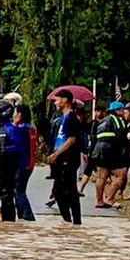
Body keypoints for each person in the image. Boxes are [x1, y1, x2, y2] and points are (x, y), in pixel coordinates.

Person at [44, 93, 88, 225]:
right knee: (59, 191)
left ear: (65, 100)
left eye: (57, 100)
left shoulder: (72, 117)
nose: (55, 103)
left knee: (70, 191)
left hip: (68, 159)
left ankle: (74, 221)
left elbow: (71, 139)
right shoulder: (61, 118)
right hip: (59, 159)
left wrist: (56, 154)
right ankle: (68, 221)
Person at [89, 101, 130, 211]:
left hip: (99, 150)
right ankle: (109, 198)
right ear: (117, 110)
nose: (123, 112)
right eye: (122, 109)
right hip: (111, 150)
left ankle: (99, 201)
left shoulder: (102, 121)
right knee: (121, 174)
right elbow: (120, 135)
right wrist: (126, 149)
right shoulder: (117, 120)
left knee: (102, 177)